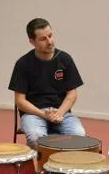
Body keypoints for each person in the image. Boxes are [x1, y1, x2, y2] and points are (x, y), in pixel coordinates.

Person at [9, 18, 86, 148]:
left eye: (50, 36)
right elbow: (20, 101)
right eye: (43, 39)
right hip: (34, 114)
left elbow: (72, 94)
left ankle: (63, 167)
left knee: (79, 135)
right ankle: (43, 168)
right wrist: (44, 115)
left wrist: (59, 113)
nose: (49, 42)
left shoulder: (65, 59)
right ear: (32, 42)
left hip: (61, 113)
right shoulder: (23, 64)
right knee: (35, 138)